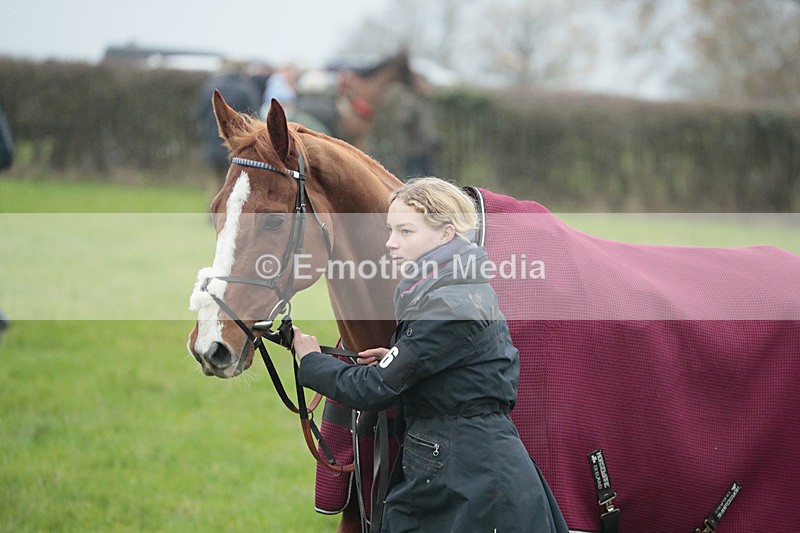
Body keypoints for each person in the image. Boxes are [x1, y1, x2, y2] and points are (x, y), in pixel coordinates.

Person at [293, 177, 569, 532]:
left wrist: (312, 361)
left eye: (406, 232)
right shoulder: (447, 289)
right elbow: (441, 367)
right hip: (459, 470)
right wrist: (399, 356)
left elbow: (373, 389)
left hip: (472, 484)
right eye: (390, 230)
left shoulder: (445, 303)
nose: (391, 243)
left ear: (445, 234)